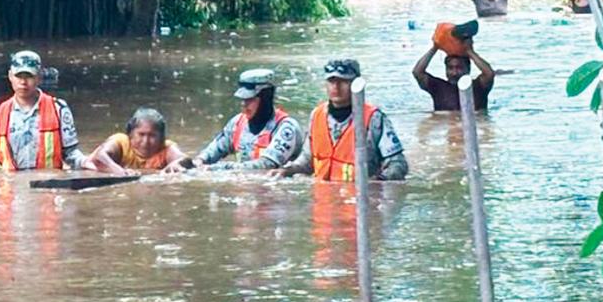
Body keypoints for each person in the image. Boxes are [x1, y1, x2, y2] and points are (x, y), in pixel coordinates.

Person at [273, 59, 407, 181]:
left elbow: (398, 164)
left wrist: (377, 184)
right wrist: (286, 171)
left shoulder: (374, 118)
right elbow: (307, 161)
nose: (336, 87)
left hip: (360, 201)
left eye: (343, 81)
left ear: (356, 84)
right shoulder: (317, 115)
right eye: (331, 81)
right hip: (323, 201)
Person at [0, 50, 88, 171]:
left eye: (29, 76)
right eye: (18, 76)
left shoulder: (58, 109)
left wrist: (87, 163)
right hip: (11, 188)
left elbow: (71, 154)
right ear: (11, 76)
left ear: (39, 77)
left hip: (48, 187)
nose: (23, 82)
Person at [165, 68, 302, 172]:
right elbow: (213, 150)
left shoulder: (286, 129)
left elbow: (265, 166)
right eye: (242, 100)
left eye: (249, 99)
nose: (243, 104)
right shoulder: (237, 124)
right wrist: (195, 163)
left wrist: (216, 169)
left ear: (266, 98)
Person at [413, 27, 495, 112]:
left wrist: (470, 51)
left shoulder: (479, 87)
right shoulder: (438, 87)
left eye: (459, 68)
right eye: (450, 68)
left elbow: (489, 74)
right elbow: (417, 72)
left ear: (468, 69)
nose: (454, 73)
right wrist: (434, 48)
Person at [86, 108, 186, 174]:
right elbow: (99, 157)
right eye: (141, 134)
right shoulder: (121, 142)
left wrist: (176, 164)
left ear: (161, 137)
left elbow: (185, 159)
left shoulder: (166, 148)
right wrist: (119, 171)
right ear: (130, 134)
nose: (146, 141)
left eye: (152, 136)